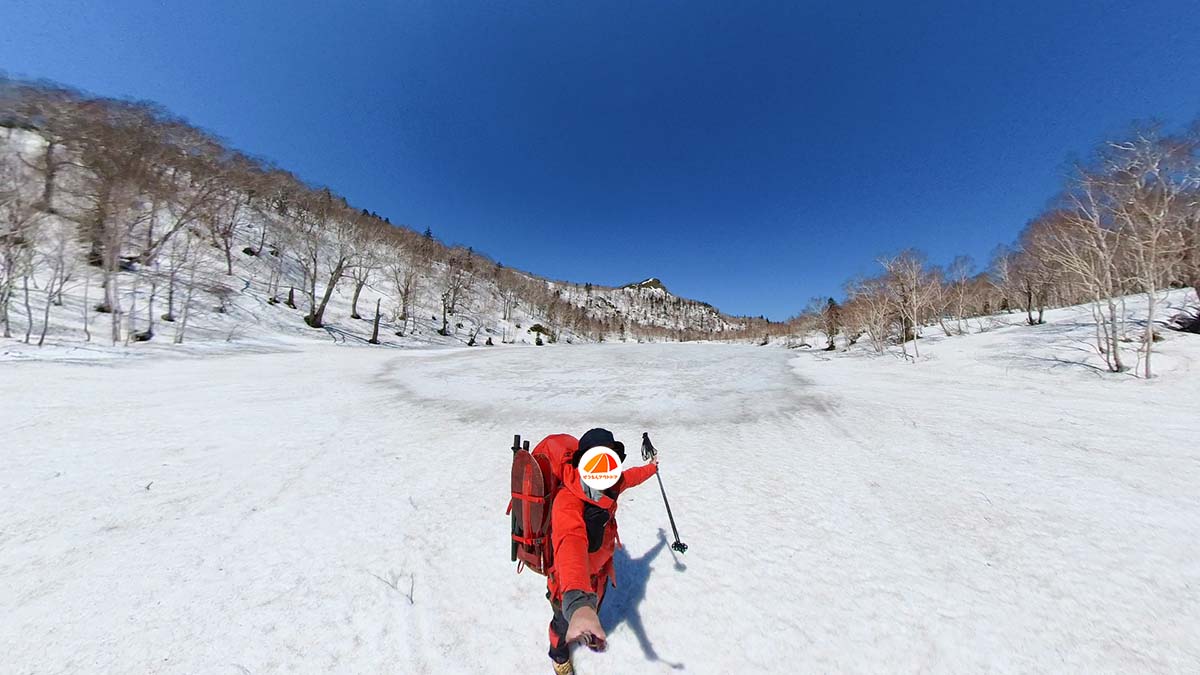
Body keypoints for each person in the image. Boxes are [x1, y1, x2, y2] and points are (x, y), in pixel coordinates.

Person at [545, 428, 659, 674]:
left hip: (599, 573)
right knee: (562, 623)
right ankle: (559, 654)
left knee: (591, 610)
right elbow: (570, 542)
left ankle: (586, 619)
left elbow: (631, 476)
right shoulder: (568, 500)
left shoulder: (611, 483)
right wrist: (577, 603)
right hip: (567, 583)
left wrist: (652, 468)